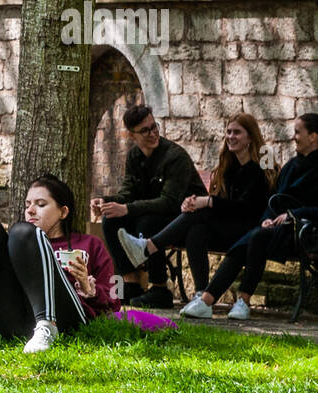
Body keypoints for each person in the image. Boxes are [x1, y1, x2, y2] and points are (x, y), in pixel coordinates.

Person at [0, 174, 120, 353]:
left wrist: (91, 291)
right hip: (11, 317)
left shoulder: (90, 244)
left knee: (23, 232)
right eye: (28, 205)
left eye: (41, 204)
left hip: (64, 318)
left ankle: (47, 326)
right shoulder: (7, 245)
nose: (30, 210)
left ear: (63, 212)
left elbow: (115, 300)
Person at [116, 114, 274, 307]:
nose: (231, 136)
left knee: (201, 214)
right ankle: (200, 293)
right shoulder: (229, 167)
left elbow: (245, 210)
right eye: (229, 132)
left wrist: (206, 202)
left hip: (250, 233)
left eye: (237, 132)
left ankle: (149, 246)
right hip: (228, 230)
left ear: (250, 137)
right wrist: (192, 203)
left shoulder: (260, 169)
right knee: (197, 227)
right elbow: (223, 207)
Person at [178, 114, 318, 320]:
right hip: (277, 228)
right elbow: (275, 200)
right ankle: (210, 300)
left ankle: (237, 300)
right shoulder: (291, 166)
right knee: (253, 236)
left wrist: (292, 215)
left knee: (256, 237)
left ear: (313, 136)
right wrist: (268, 218)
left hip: (305, 233)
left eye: (298, 132)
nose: (293, 137)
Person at [91, 104, 206, 305]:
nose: (153, 134)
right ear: (131, 135)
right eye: (145, 131)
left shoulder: (175, 156)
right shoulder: (134, 156)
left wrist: (127, 209)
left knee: (148, 223)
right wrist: (107, 202)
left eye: (154, 127)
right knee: (110, 221)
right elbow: (128, 192)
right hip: (155, 213)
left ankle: (159, 289)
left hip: (184, 218)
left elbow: (169, 202)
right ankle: (132, 284)